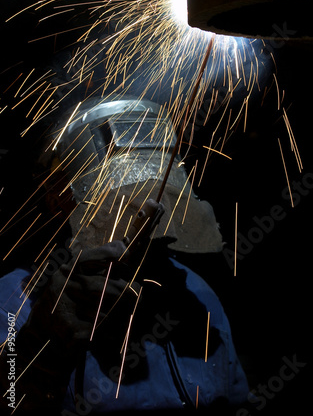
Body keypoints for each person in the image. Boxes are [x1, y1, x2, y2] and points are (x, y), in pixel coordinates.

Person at [0, 96, 249, 415]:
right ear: (57, 198)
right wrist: (43, 353)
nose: (143, 211)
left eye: (152, 191)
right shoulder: (12, 300)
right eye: (120, 200)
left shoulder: (196, 291)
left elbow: (238, 401)